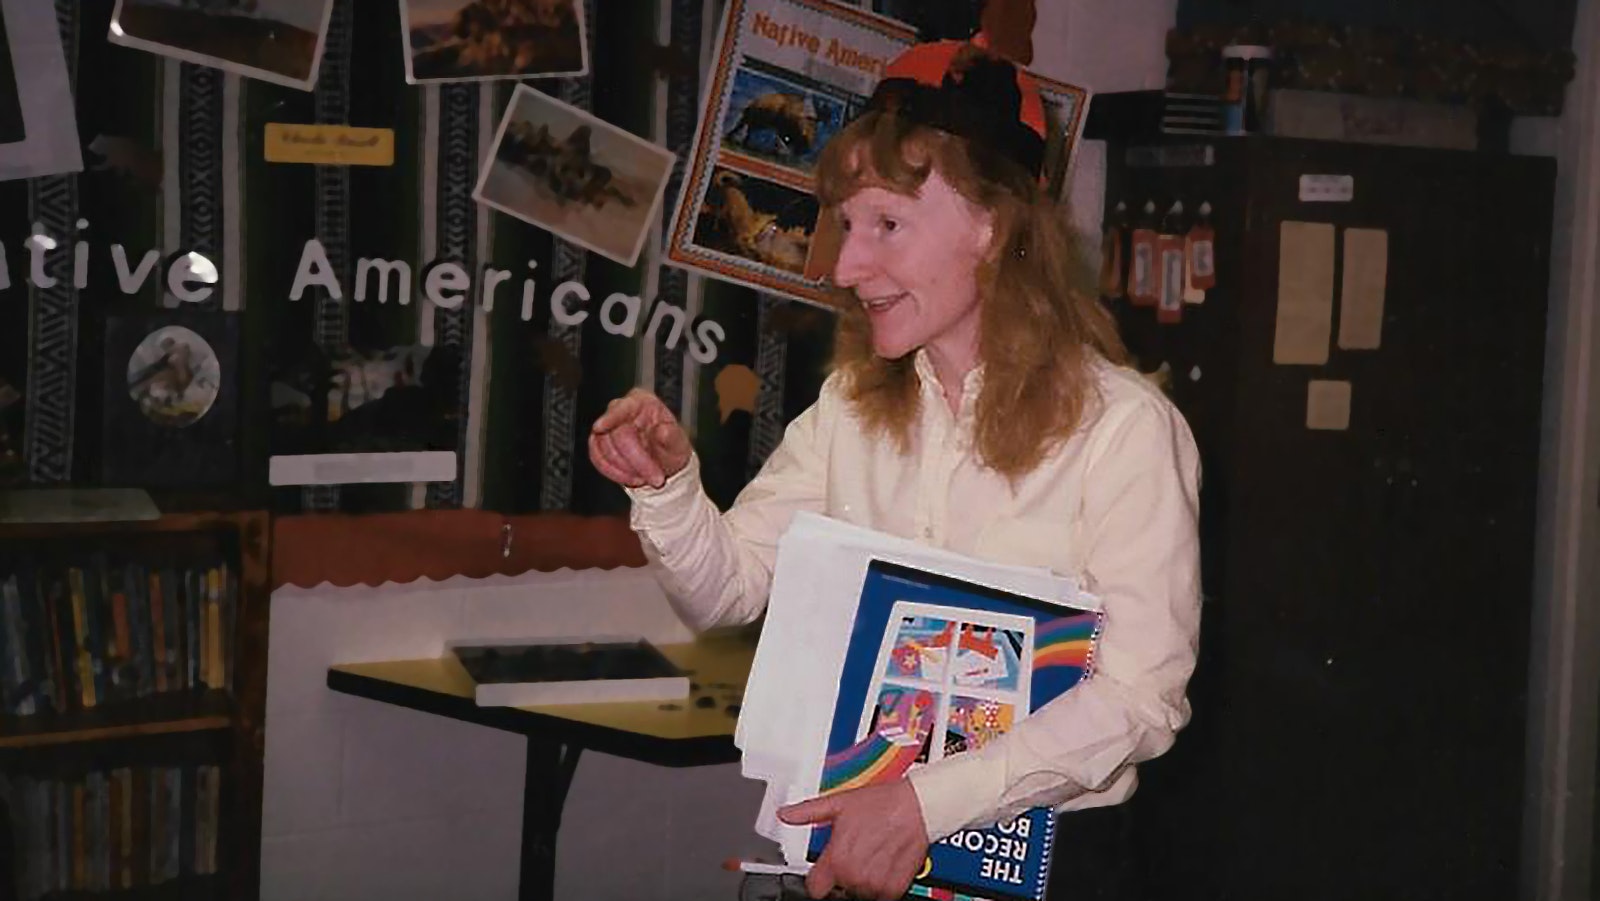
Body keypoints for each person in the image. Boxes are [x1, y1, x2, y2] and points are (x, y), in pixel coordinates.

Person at [589, 35, 1201, 901]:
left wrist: (924, 805)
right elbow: (725, 590)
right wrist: (668, 487)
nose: (845, 267)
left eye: (887, 225)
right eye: (846, 224)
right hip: (867, 846)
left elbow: (1141, 696)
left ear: (993, 230)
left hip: (1048, 862)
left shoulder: (1125, 431)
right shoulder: (853, 406)